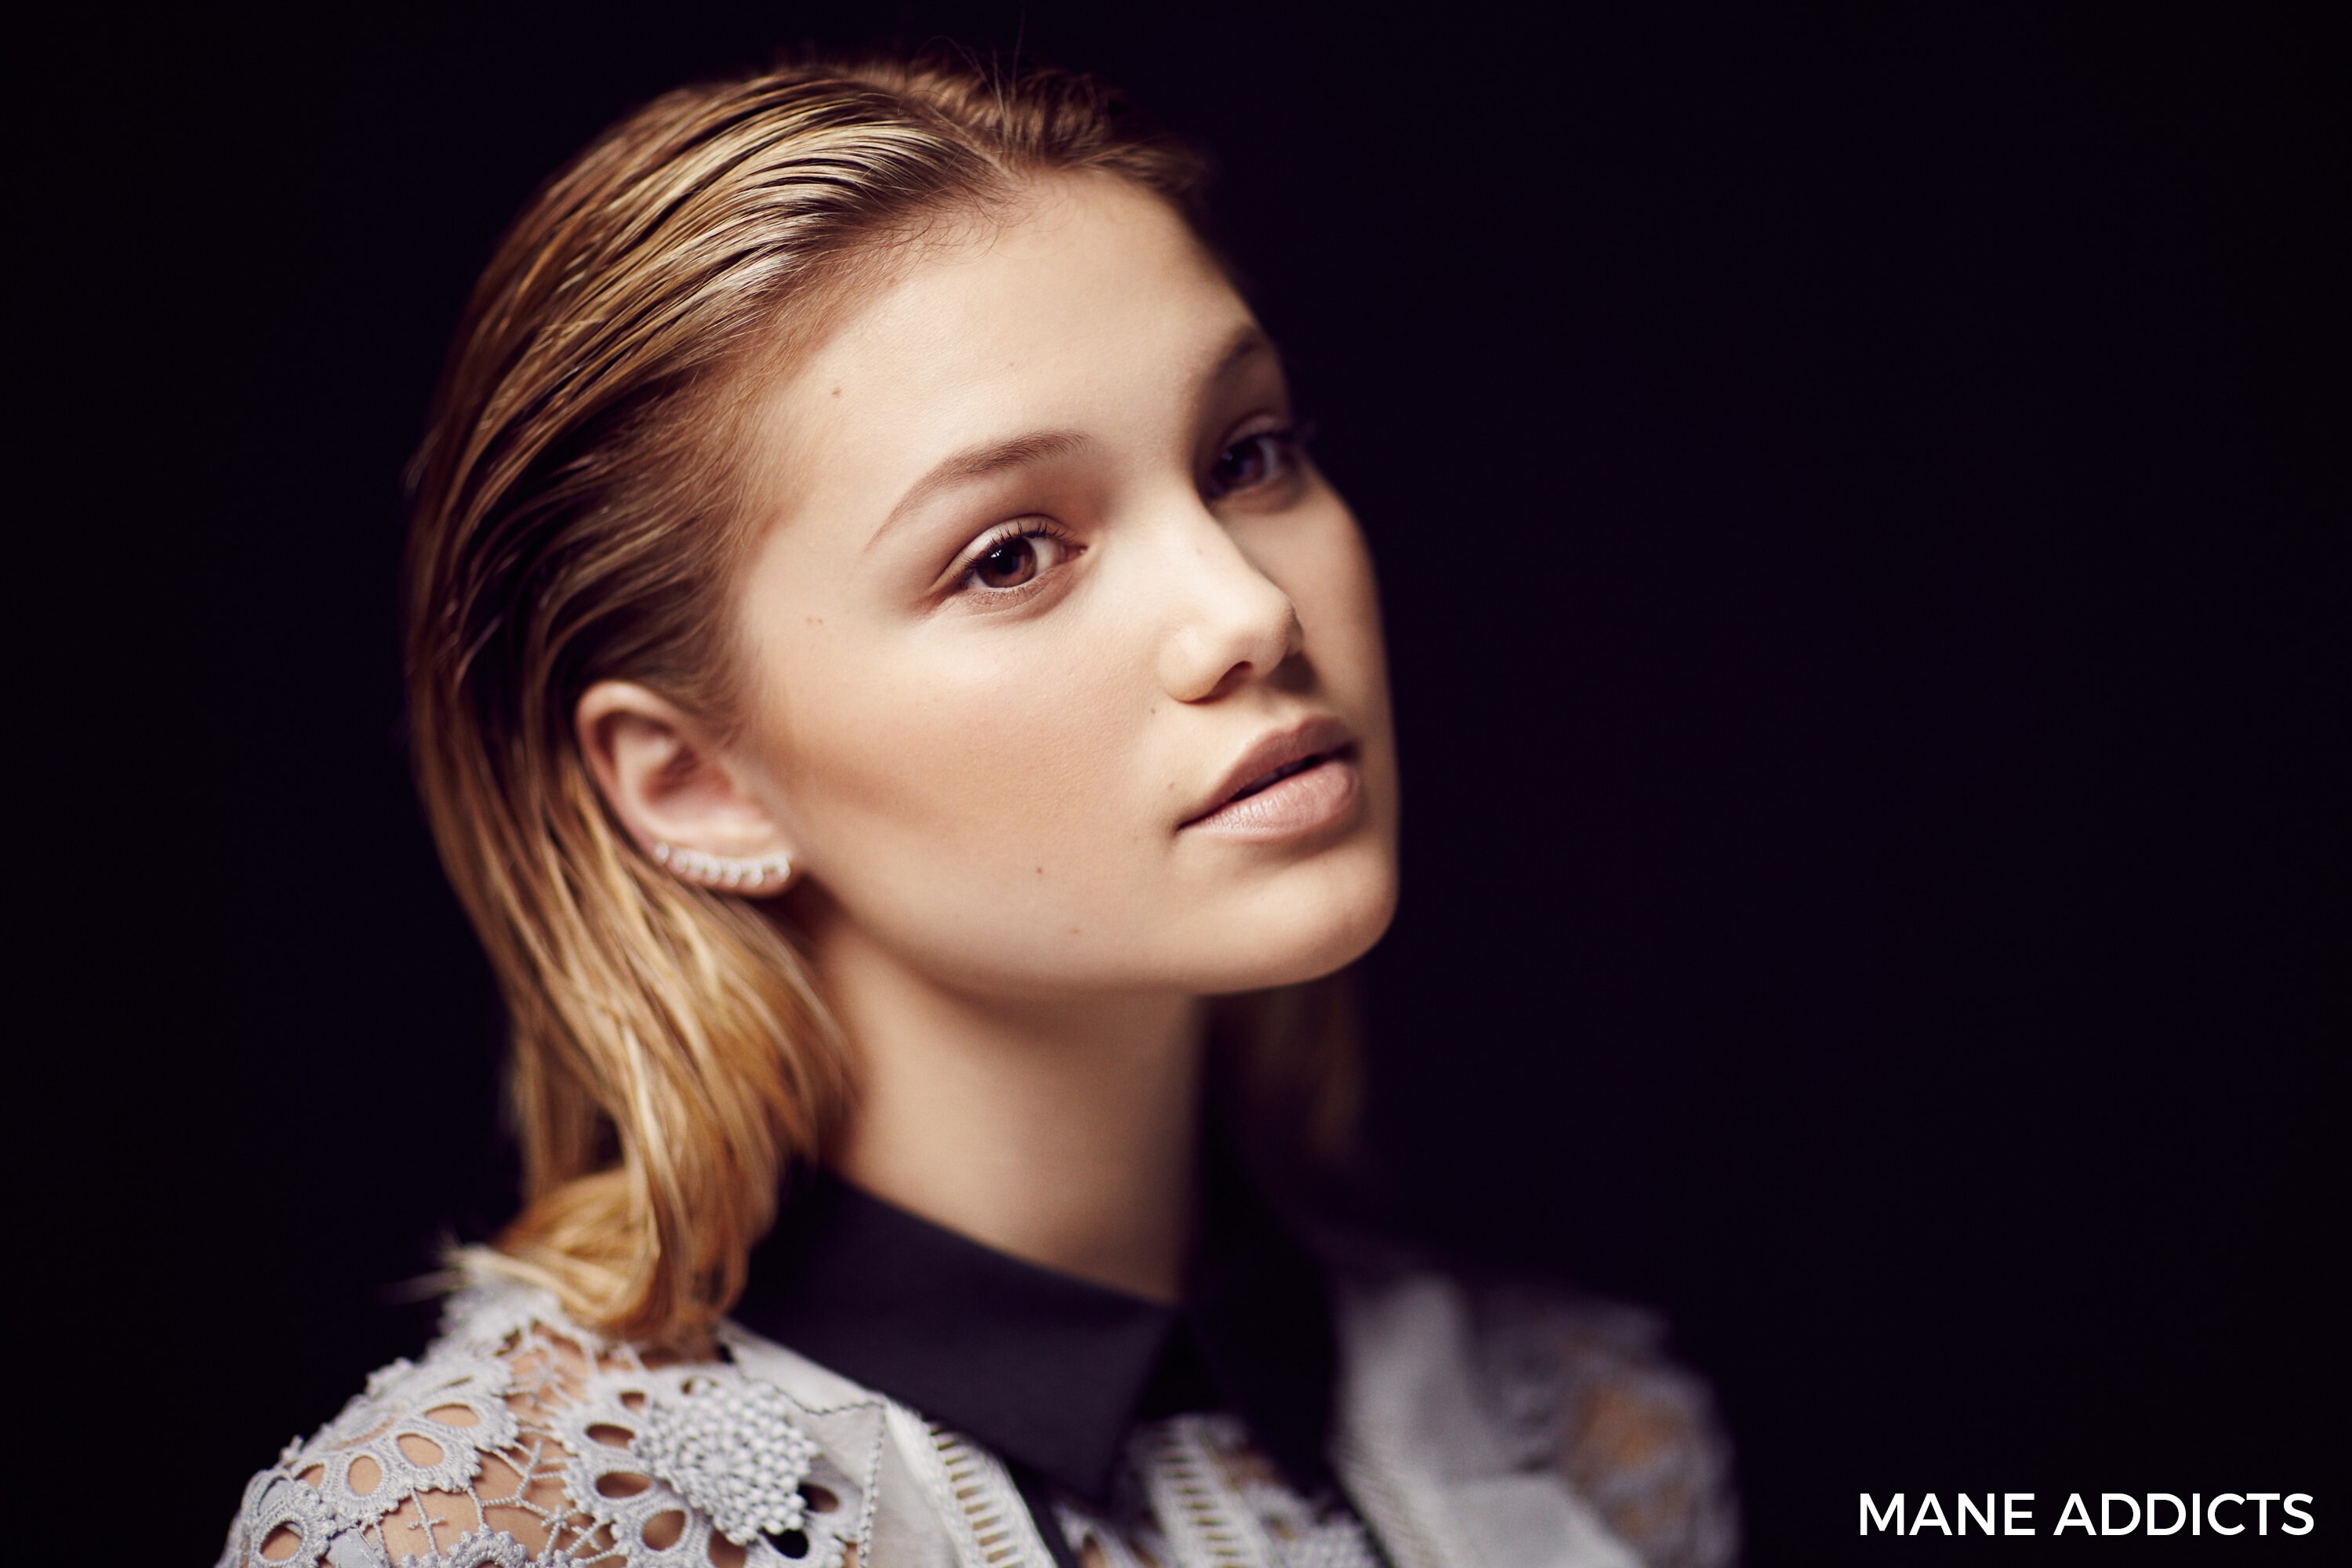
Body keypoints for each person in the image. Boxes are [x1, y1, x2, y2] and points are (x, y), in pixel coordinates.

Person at [219, 49, 1736, 1568]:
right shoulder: (502, 1534)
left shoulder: (1583, 1439)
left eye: (1247, 456)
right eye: (1009, 555)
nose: (1249, 610)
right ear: (698, 780)